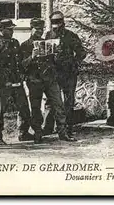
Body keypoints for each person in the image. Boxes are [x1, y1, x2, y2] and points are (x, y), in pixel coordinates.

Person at [20, 18, 76, 143]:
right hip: (35, 80)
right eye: (37, 29)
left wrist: (56, 54)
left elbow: (54, 62)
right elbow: (22, 65)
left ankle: (63, 133)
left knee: (58, 105)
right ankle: (38, 133)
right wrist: (32, 57)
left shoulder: (48, 43)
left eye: (41, 29)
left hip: (50, 79)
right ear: (31, 28)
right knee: (35, 108)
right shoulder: (25, 45)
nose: (40, 31)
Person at [42, 11, 87, 139]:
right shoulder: (48, 36)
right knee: (51, 100)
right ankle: (48, 127)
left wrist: (73, 63)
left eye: (59, 21)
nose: (56, 24)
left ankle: (67, 128)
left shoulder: (71, 36)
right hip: (54, 73)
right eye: (54, 22)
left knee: (68, 101)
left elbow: (81, 53)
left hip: (68, 73)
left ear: (63, 22)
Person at [0, 19, 33, 144]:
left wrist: (21, 75)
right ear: (2, 30)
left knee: (24, 107)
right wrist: (4, 81)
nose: (12, 31)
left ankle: (23, 132)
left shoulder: (15, 42)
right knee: (0, 111)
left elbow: (18, 62)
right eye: (9, 29)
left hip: (16, 80)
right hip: (3, 82)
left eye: (12, 29)